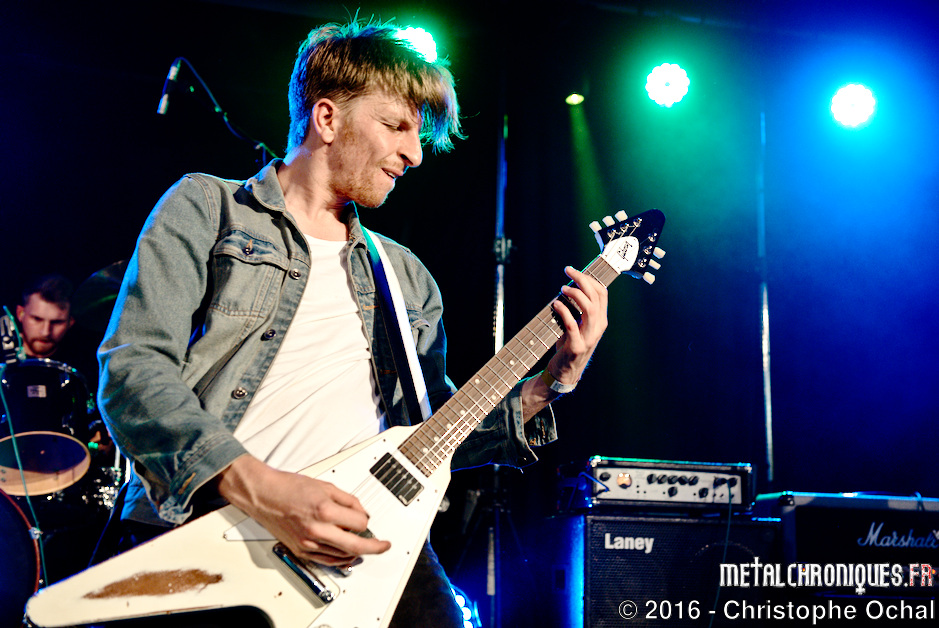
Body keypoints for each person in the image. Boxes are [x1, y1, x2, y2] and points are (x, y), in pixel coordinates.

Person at [97, 19, 608, 627]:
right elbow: (133, 369)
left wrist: (552, 383)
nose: (415, 155)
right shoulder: (207, 207)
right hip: (211, 524)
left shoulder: (406, 276)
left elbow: (439, 434)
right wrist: (263, 488)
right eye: (395, 127)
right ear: (327, 118)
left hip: (363, 542)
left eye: (418, 136)